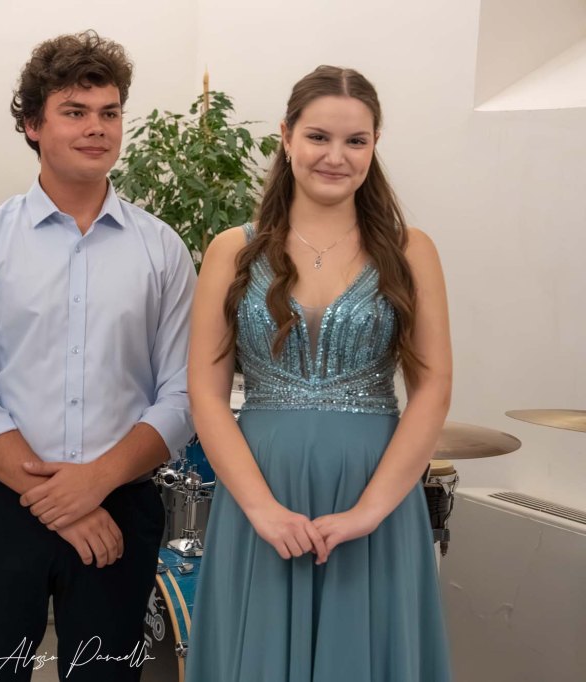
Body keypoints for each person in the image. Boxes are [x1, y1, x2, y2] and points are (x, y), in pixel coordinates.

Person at [0, 30, 196, 682]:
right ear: (32, 124)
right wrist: (61, 499)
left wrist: (96, 482)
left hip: (120, 507)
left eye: (109, 112)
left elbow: (184, 393)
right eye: (75, 111)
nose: (96, 127)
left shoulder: (162, 250)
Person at [185, 65, 452, 681]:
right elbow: (205, 390)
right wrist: (261, 509)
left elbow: (434, 387)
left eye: (356, 140)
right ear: (286, 136)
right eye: (318, 137)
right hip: (260, 492)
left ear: (375, 144)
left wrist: (370, 511)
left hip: (374, 493)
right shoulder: (232, 249)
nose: (336, 156)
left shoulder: (410, 250)